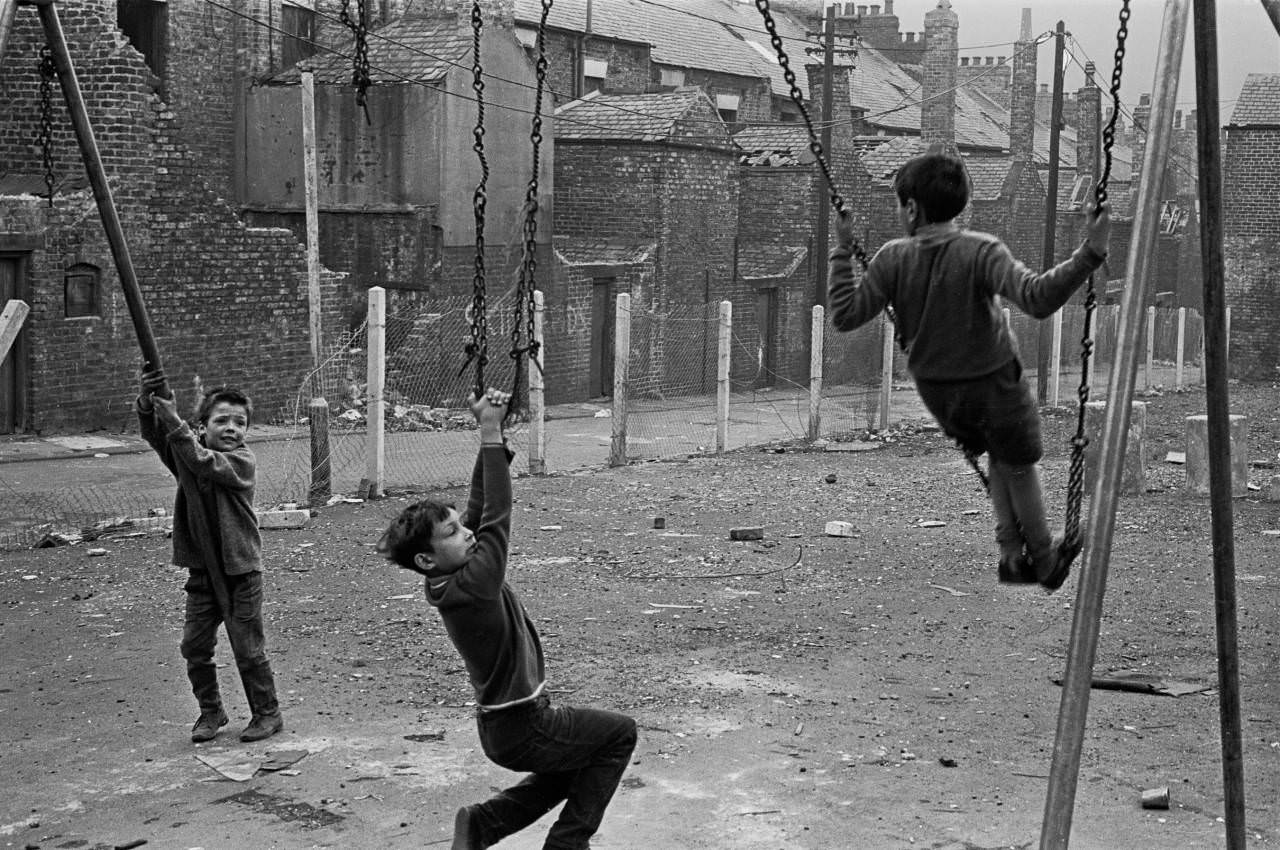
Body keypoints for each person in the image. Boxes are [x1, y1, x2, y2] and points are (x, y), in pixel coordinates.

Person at [828, 151, 1111, 591]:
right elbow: (1036, 298)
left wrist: (843, 247)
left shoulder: (890, 258)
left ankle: (1010, 555)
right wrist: (1089, 253)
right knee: (1018, 463)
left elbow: (844, 314)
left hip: (942, 397)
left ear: (911, 208)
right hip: (995, 384)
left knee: (1001, 456)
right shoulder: (981, 250)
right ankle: (1043, 555)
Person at [378, 387, 636, 850]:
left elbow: (479, 510)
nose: (468, 532)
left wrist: (492, 439)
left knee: (577, 766)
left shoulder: (450, 577)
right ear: (425, 559)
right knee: (618, 735)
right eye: (452, 532)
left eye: (460, 524)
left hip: (506, 726)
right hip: (523, 725)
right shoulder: (475, 584)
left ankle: (484, 825)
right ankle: (567, 844)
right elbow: (497, 515)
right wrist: (490, 431)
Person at [136, 366, 284, 743]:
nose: (232, 428)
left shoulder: (241, 462)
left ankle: (267, 713)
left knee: (248, 650)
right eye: (222, 420)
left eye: (240, 422)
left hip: (240, 572)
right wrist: (147, 404)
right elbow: (160, 438)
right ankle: (211, 711)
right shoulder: (188, 455)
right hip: (203, 574)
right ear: (202, 427)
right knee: (194, 646)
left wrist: (175, 423)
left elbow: (203, 461)